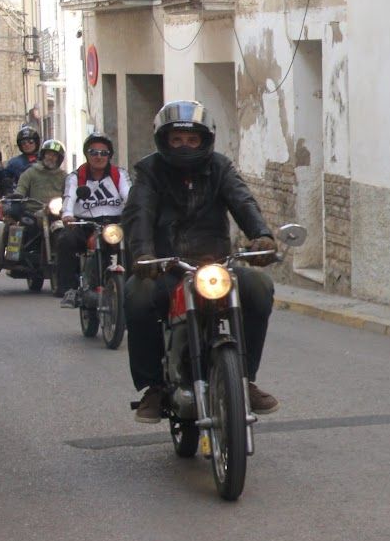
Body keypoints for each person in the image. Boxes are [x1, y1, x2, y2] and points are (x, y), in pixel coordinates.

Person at [122, 100, 279, 423]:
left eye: (192, 140)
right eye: (177, 139)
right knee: (137, 295)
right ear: (164, 140)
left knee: (260, 287)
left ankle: (244, 379)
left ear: (205, 140)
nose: (184, 146)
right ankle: (153, 386)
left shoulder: (220, 167)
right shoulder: (149, 171)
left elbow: (242, 200)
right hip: (166, 266)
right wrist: (143, 255)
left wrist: (262, 236)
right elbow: (139, 214)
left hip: (215, 265)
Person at [56, 132, 131, 308]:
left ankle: (133, 286)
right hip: (85, 224)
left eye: (104, 153)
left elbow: (130, 196)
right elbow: (69, 199)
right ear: (87, 155)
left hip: (115, 224)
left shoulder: (119, 174)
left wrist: (135, 213)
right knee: (65, 239)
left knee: (138, 241)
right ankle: (69, 289)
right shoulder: (75, 177)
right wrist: (67, 215)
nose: (99, 157)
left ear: (109, 155)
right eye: (93, 152)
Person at [14, 139, 68, 204]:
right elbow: (21, 188)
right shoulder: (31, 172)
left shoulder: (64, 177)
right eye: (48, 154)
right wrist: (18, 196)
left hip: (56, 209)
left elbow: (69, 194)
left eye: (54, 155)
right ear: (43, 155)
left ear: (59, 159)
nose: (51, 157)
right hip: (33, 209)